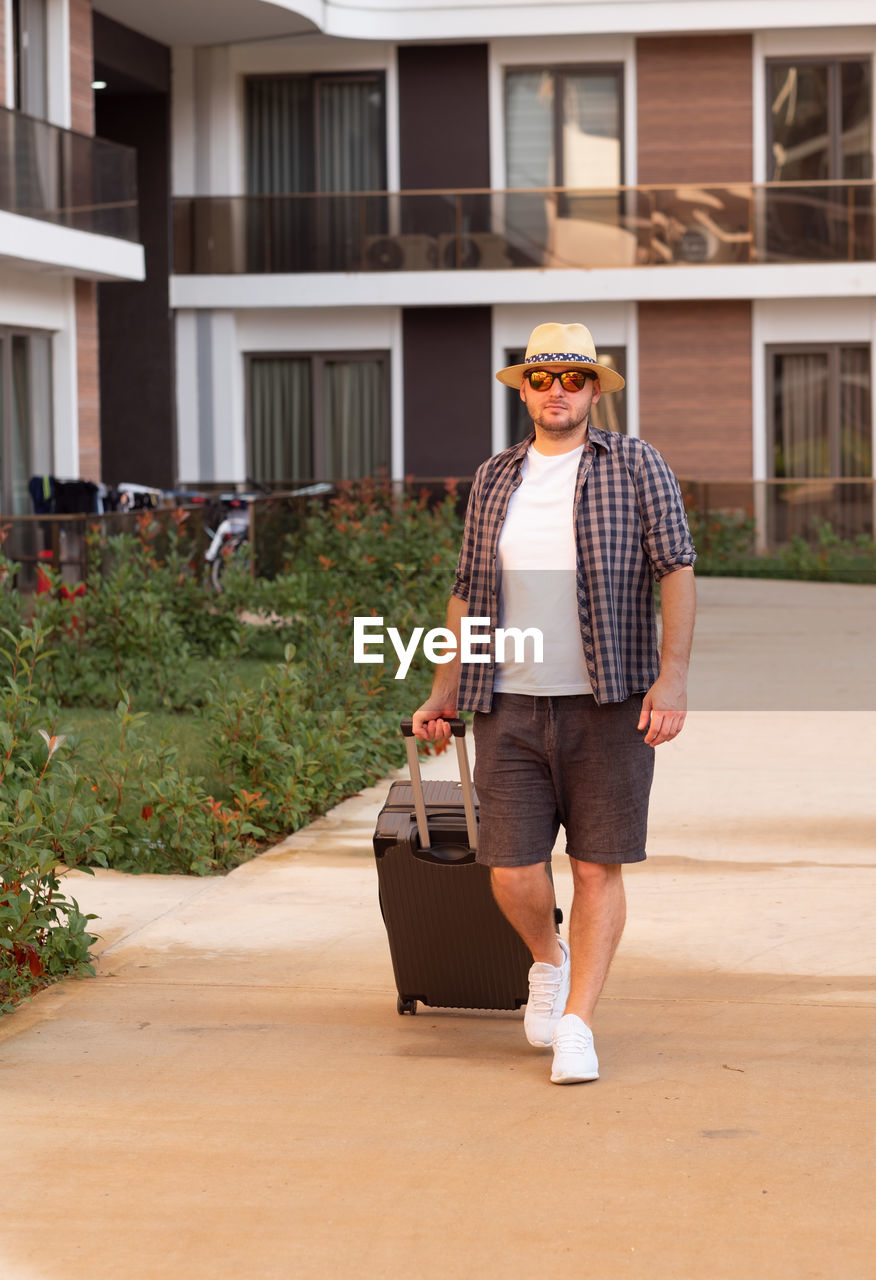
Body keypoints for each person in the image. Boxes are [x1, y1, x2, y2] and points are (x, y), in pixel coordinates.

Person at [412, 321, 696, 1085]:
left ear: (594, 388)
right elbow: (468, 591)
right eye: (543, 379)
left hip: (610, 704)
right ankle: (549, 959)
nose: (557, 391)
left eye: (573, 378)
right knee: (510, 868)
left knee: (598, 867)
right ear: (526, 390)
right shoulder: (496, 477)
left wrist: (673, 678)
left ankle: (578, 1022)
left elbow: (676, 568)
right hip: (506, 702)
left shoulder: (636, 465)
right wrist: (444, 690)